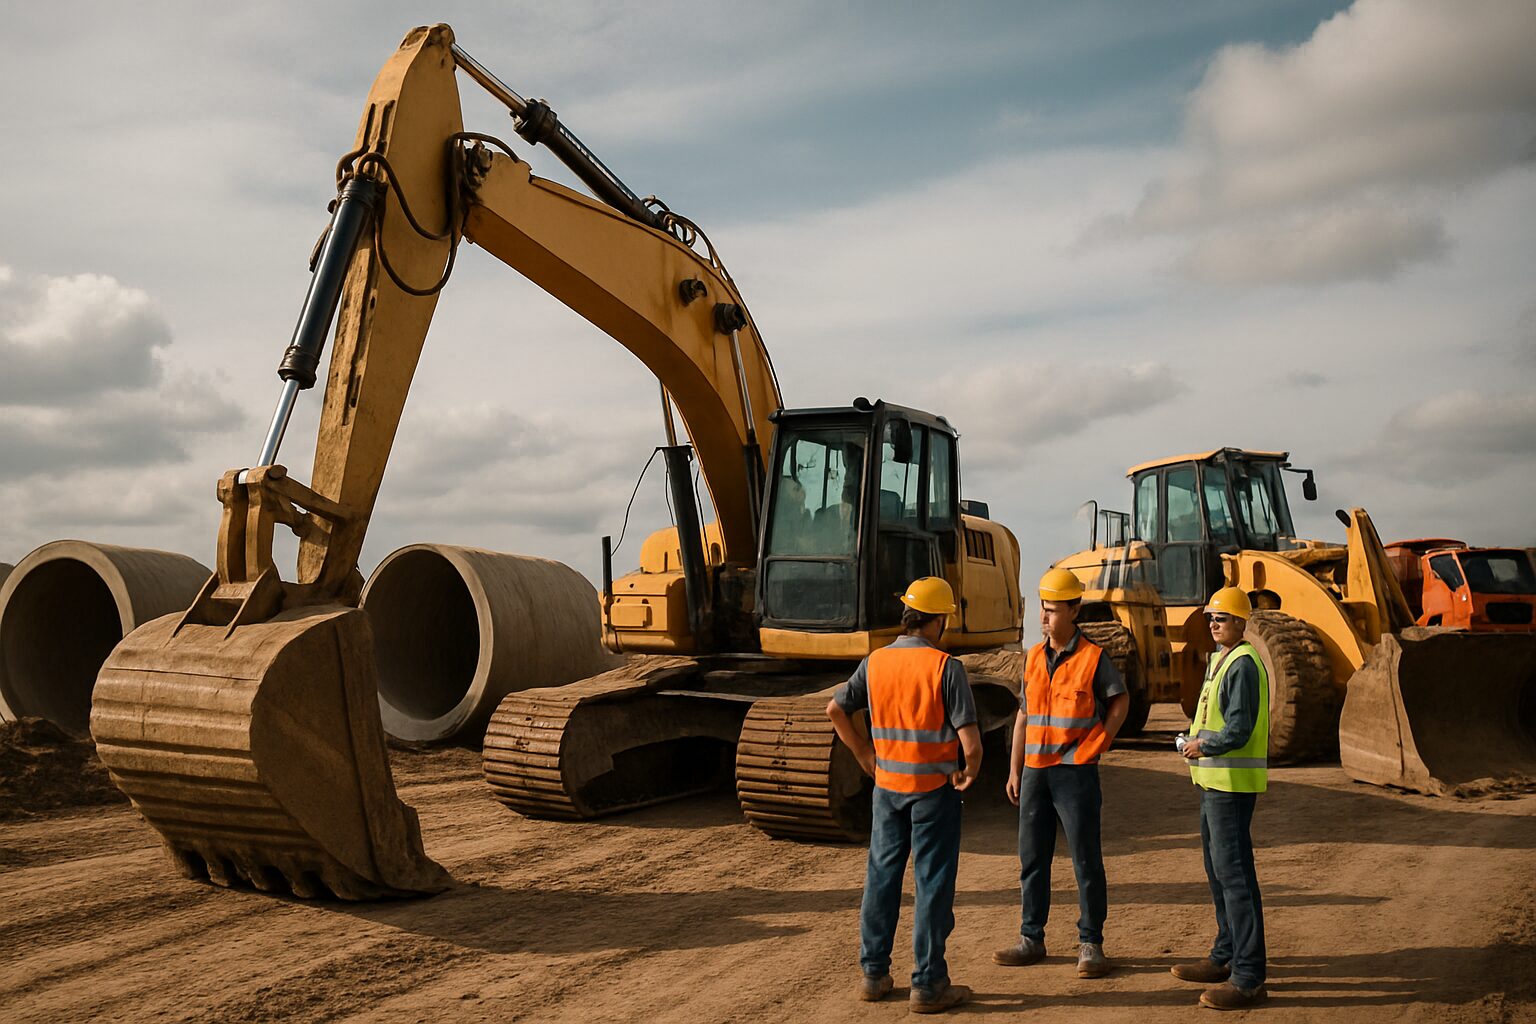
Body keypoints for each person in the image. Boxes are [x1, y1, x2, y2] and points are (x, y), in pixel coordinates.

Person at [826, 576, 983, 1015]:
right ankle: (928, 984)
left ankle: (873, 975)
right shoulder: (944, 667)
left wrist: (863, 754)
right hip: (933, 791)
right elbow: (970, 745)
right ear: (938, 622)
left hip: (888, 788)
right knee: (931, 885)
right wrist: (969, 773)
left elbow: (836, 709)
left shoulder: (875, 663)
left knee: (881, 878)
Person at [995, 568, 1129, 978]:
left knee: (1086, 860)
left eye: (1053, 610)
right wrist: (1014, 769)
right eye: (1043, 609)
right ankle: (1030, 938)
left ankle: (1091, 943)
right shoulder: (1033, 657)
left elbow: (1119, 702)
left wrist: (1097, 745)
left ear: (1074, 610)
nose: (1045, 617)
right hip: (1036, 772)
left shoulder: (1093, 658)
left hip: (1075, 774)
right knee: (1032, 859)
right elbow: (1024, 715)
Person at [1173, 586, 1269, 1010]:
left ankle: (1248, 978)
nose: (1213, 624)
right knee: (1218, 873)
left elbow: (1239, 729)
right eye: (1211, 618)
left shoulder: (1243, 665)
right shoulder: (1221, 660)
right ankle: (1225, 955)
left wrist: (1202, 747)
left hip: (1231, 787)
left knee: (1235, 880)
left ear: (1240, 622)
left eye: (1222, 618)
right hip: (1214, 785)